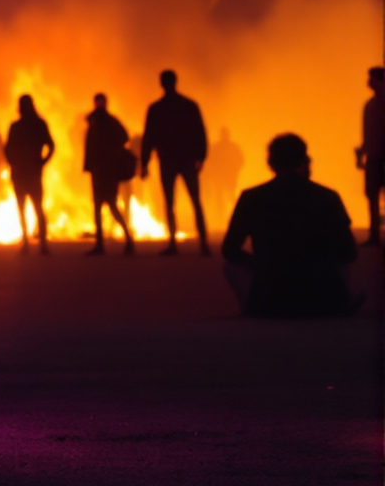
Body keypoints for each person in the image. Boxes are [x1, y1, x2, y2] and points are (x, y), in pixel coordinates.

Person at [221, 133, 359, 316]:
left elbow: (229, 250)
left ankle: (251, 308)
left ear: (270, 162)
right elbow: (349, 252)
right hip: (321, 296)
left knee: (231, 266)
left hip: (270, 294)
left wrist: (259, 263)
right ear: (304, 160)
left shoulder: (251, 197)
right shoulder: (328, 197)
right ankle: (339, 301)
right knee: (342, 266)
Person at [138, 70, 208, 256]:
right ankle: (204, 244)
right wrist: (201, 157)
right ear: (176, 82)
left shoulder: (156, 108)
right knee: (195, 201)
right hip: (186, 159)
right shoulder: (189, 105)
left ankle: (173, 244)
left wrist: (144, 164)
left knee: (170, 203)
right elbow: (200, 133)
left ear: (161, 84)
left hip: (169, 160)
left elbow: (148, 138)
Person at [81, 93, 136, 256]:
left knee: (111, 205)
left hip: (109, 171)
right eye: (96, 103)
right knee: (98, 207)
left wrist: (111, 153)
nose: (98, 106)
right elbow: (90, 147)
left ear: (105, 104)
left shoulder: (109, 122)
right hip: (98, 171)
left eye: (100, 103)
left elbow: (124, 138)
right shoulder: (93, 123)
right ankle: (100, 244)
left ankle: (128, 238)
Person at [3, 95, 55, 255]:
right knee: (34, 207)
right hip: (29, 172)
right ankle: (39, 244)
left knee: (27, 207)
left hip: (25, 172)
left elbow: (6, 149)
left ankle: (30, 242)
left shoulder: (22, 125)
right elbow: (51, 146)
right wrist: (42, 161)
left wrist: (13, 163)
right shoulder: (35, 124)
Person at [359, 68, 384, 247]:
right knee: (371, 195)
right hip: (374, 157)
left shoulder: (375, 104)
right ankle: (374, 234)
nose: (369, 81)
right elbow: (367, 133)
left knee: (373, 196)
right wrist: (362, 153)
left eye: (372, 78)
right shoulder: (369, 105)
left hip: (377, 157)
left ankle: (375, 234)